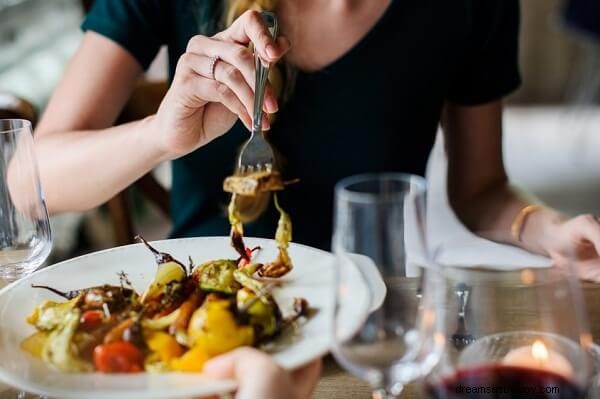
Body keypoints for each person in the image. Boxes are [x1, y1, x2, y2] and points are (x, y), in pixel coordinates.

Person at [32, 0, 600, 280]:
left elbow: (481, 190)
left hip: (364, 328)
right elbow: (29, 184)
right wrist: (159, 135)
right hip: (197, 323)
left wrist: (550, 229)